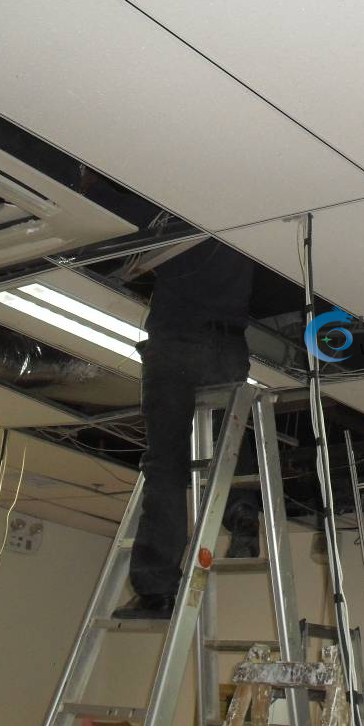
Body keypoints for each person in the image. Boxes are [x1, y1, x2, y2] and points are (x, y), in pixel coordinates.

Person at [113, 239, 258, 620]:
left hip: (176, 338)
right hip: (229, 345)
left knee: (166, 464)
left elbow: (141, 250)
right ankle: (242, 514)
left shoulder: (182, 215)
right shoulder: (244, 219)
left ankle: (157, 587)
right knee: (228, 442)